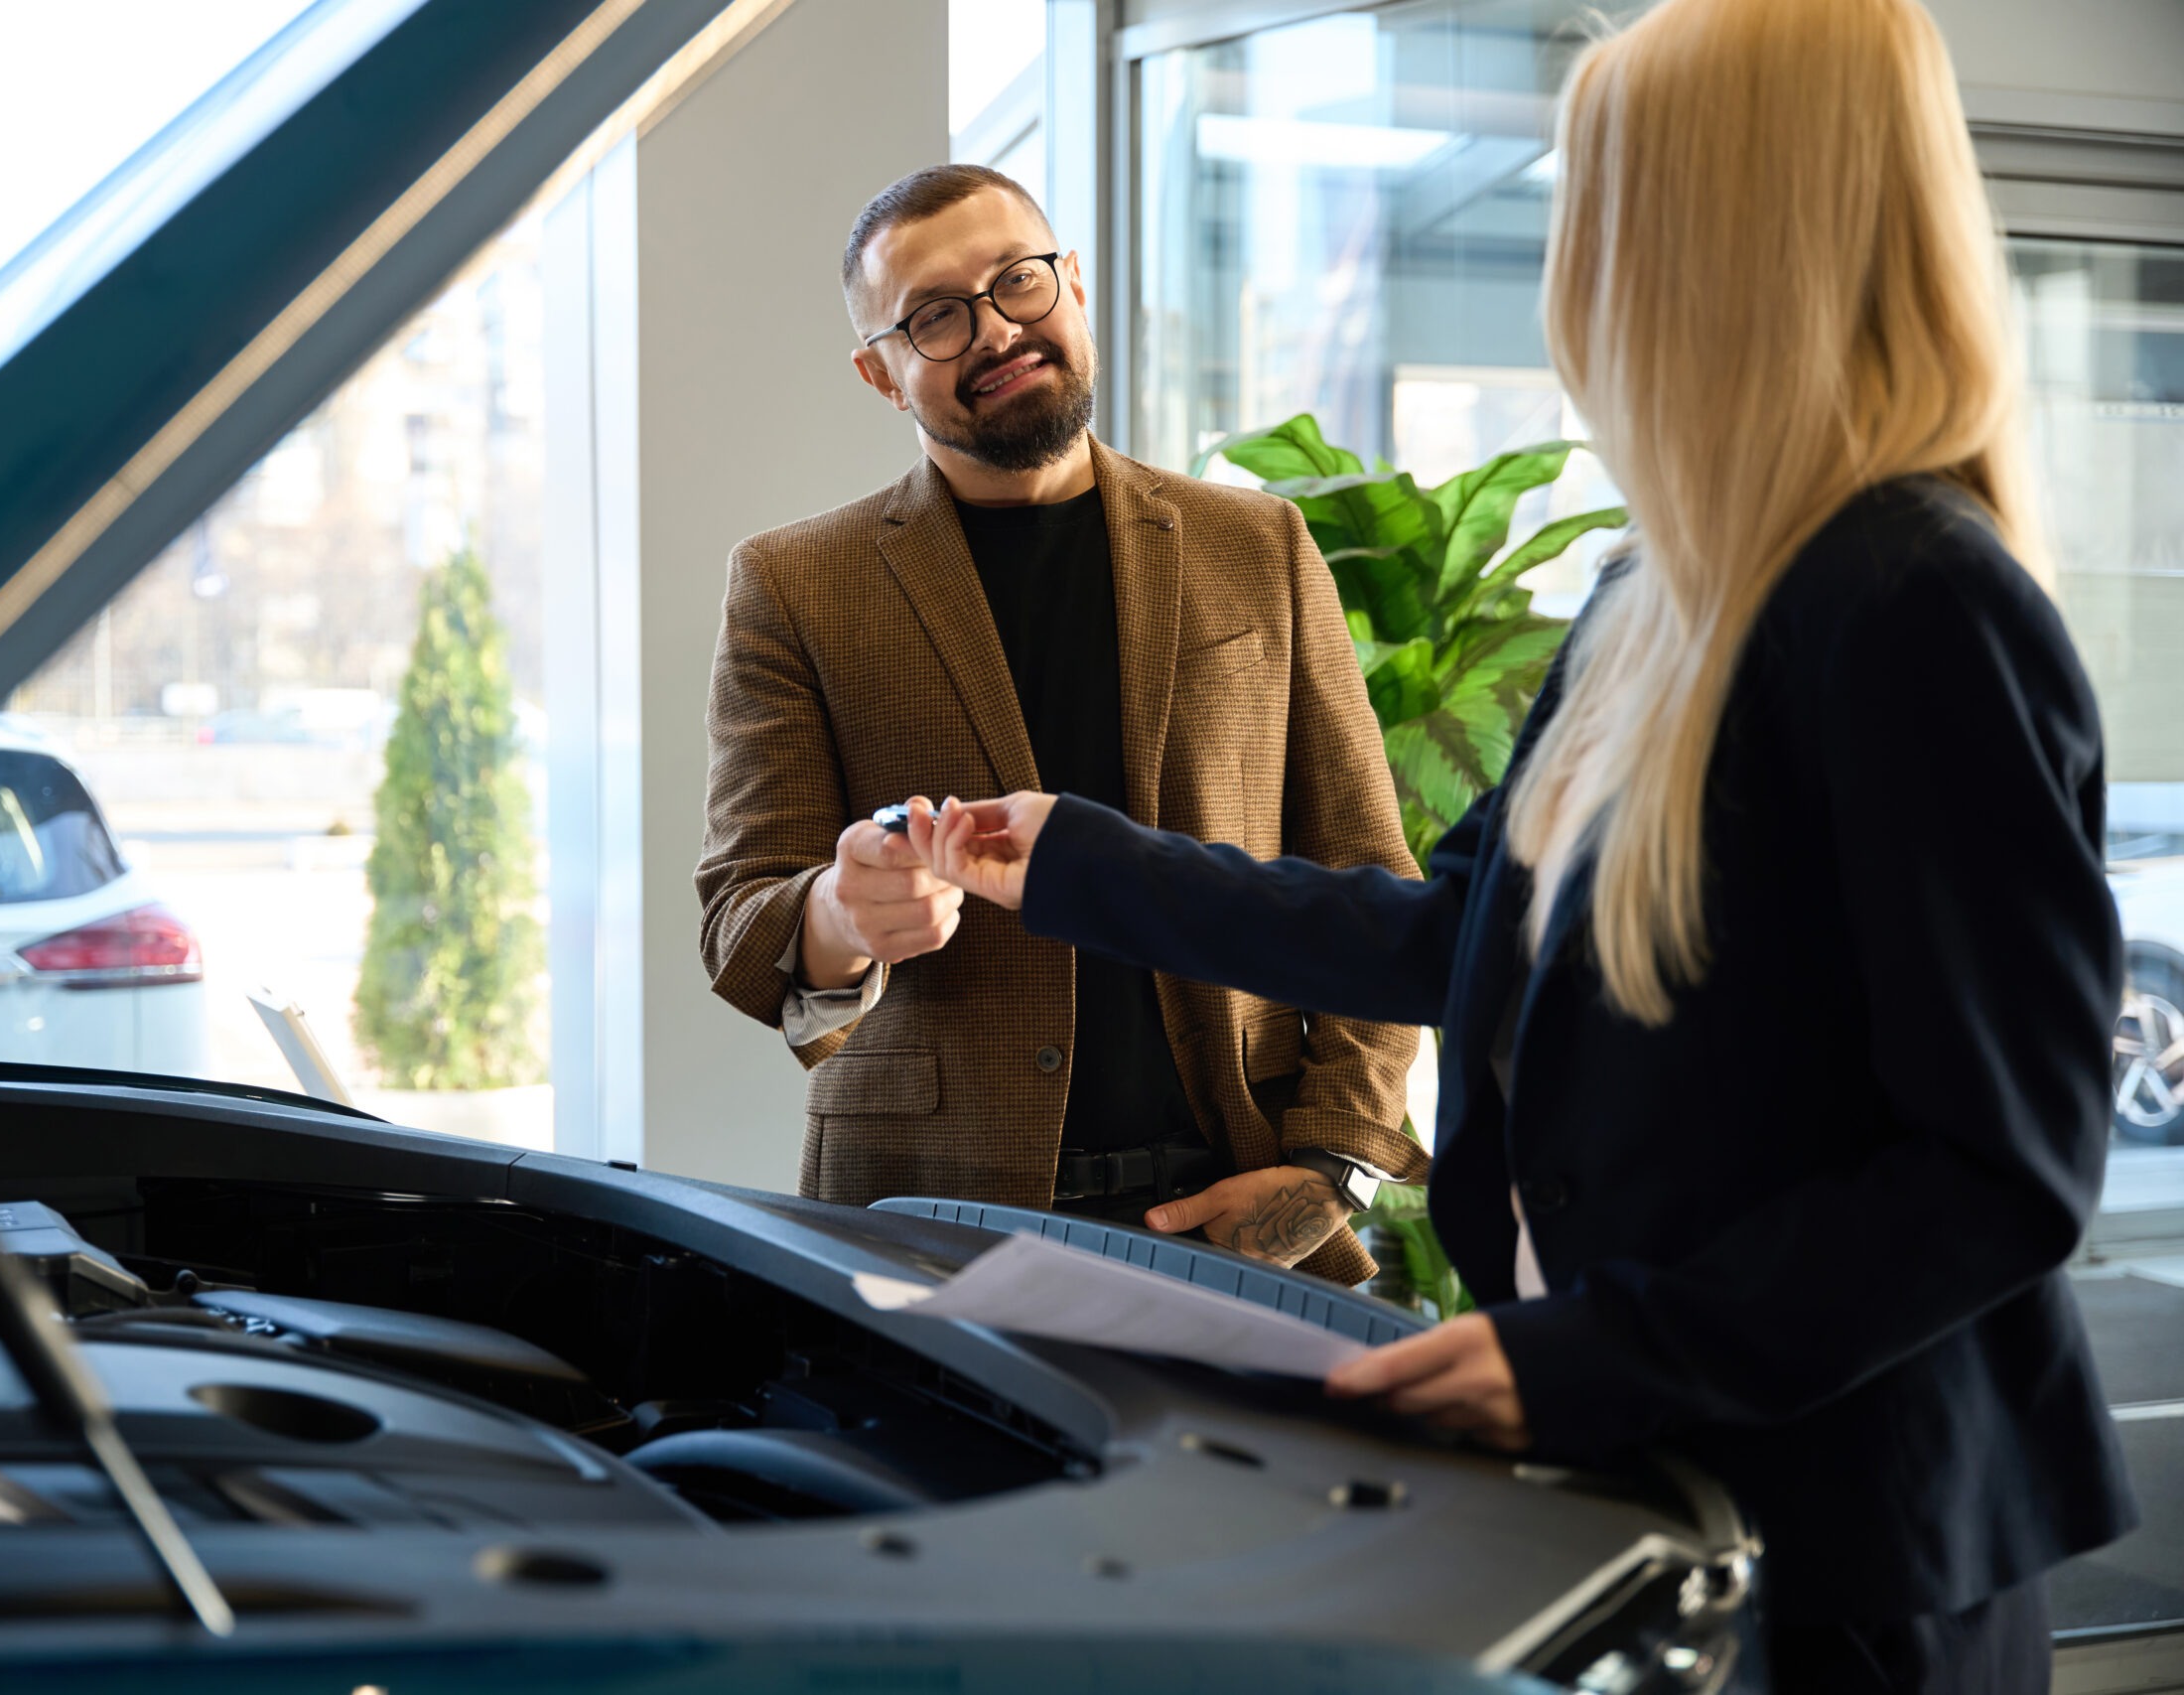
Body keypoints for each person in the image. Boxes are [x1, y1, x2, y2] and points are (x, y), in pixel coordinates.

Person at [906, 0, 2136, 1687]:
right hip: (1672, 1479)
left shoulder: (1918, 604)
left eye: (1600, 198)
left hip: (1851, 1546)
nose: (1567, 250)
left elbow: (2000, 1170)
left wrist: (1597, 1354)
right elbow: (1455, 931)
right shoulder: (1658, 591)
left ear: (1716, 239)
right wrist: (1084, 864)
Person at [695, 164, 1424, 1281]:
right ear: (881, 373)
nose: (995, 330)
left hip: (1244, 1214)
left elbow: (1370, 872)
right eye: (935, 317)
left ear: (1070, 285)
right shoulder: (796, 583)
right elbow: (742, 919)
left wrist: (1336, 1165)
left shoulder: (1257, 545)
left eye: (1018, 281)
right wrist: (843, 913)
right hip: (923, 1225)